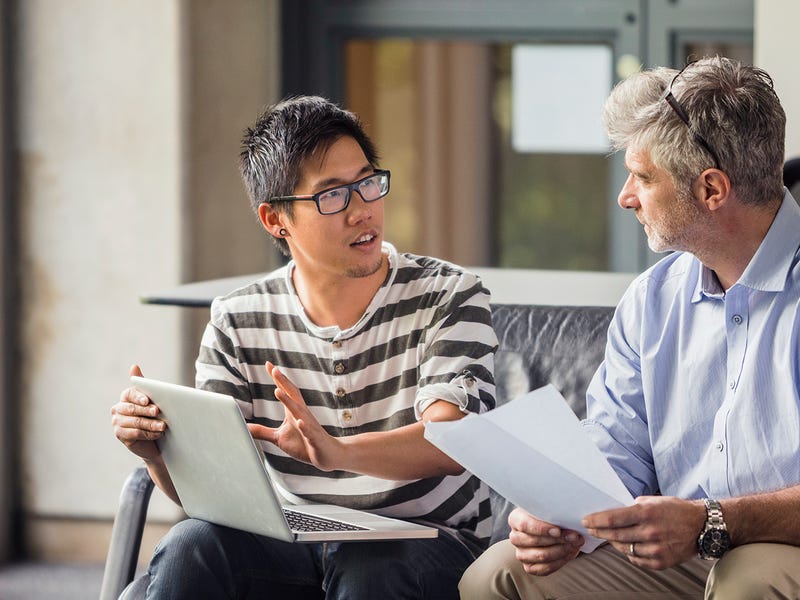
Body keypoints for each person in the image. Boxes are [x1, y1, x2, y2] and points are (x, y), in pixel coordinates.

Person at [111, 95, 497, 599]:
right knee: (191, 545)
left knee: (371, 568)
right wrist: (157, 455)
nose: (362, 210)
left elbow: (453, 441)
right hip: (297, 538)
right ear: (276, 220)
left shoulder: (449, 294)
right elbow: (215, 489)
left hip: (428, 542)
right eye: (332, 195)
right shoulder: (237, 319)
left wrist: (336, 452)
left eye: (367, 183)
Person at [459, 56, 800, 599]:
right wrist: (558, 515)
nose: (625, 197)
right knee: (498, 575)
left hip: (782, 548)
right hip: (682, 555)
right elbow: (618, 445)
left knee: (748, 578)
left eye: (643, 176)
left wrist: (713, 520)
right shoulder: (651, 299)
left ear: (711, 189)